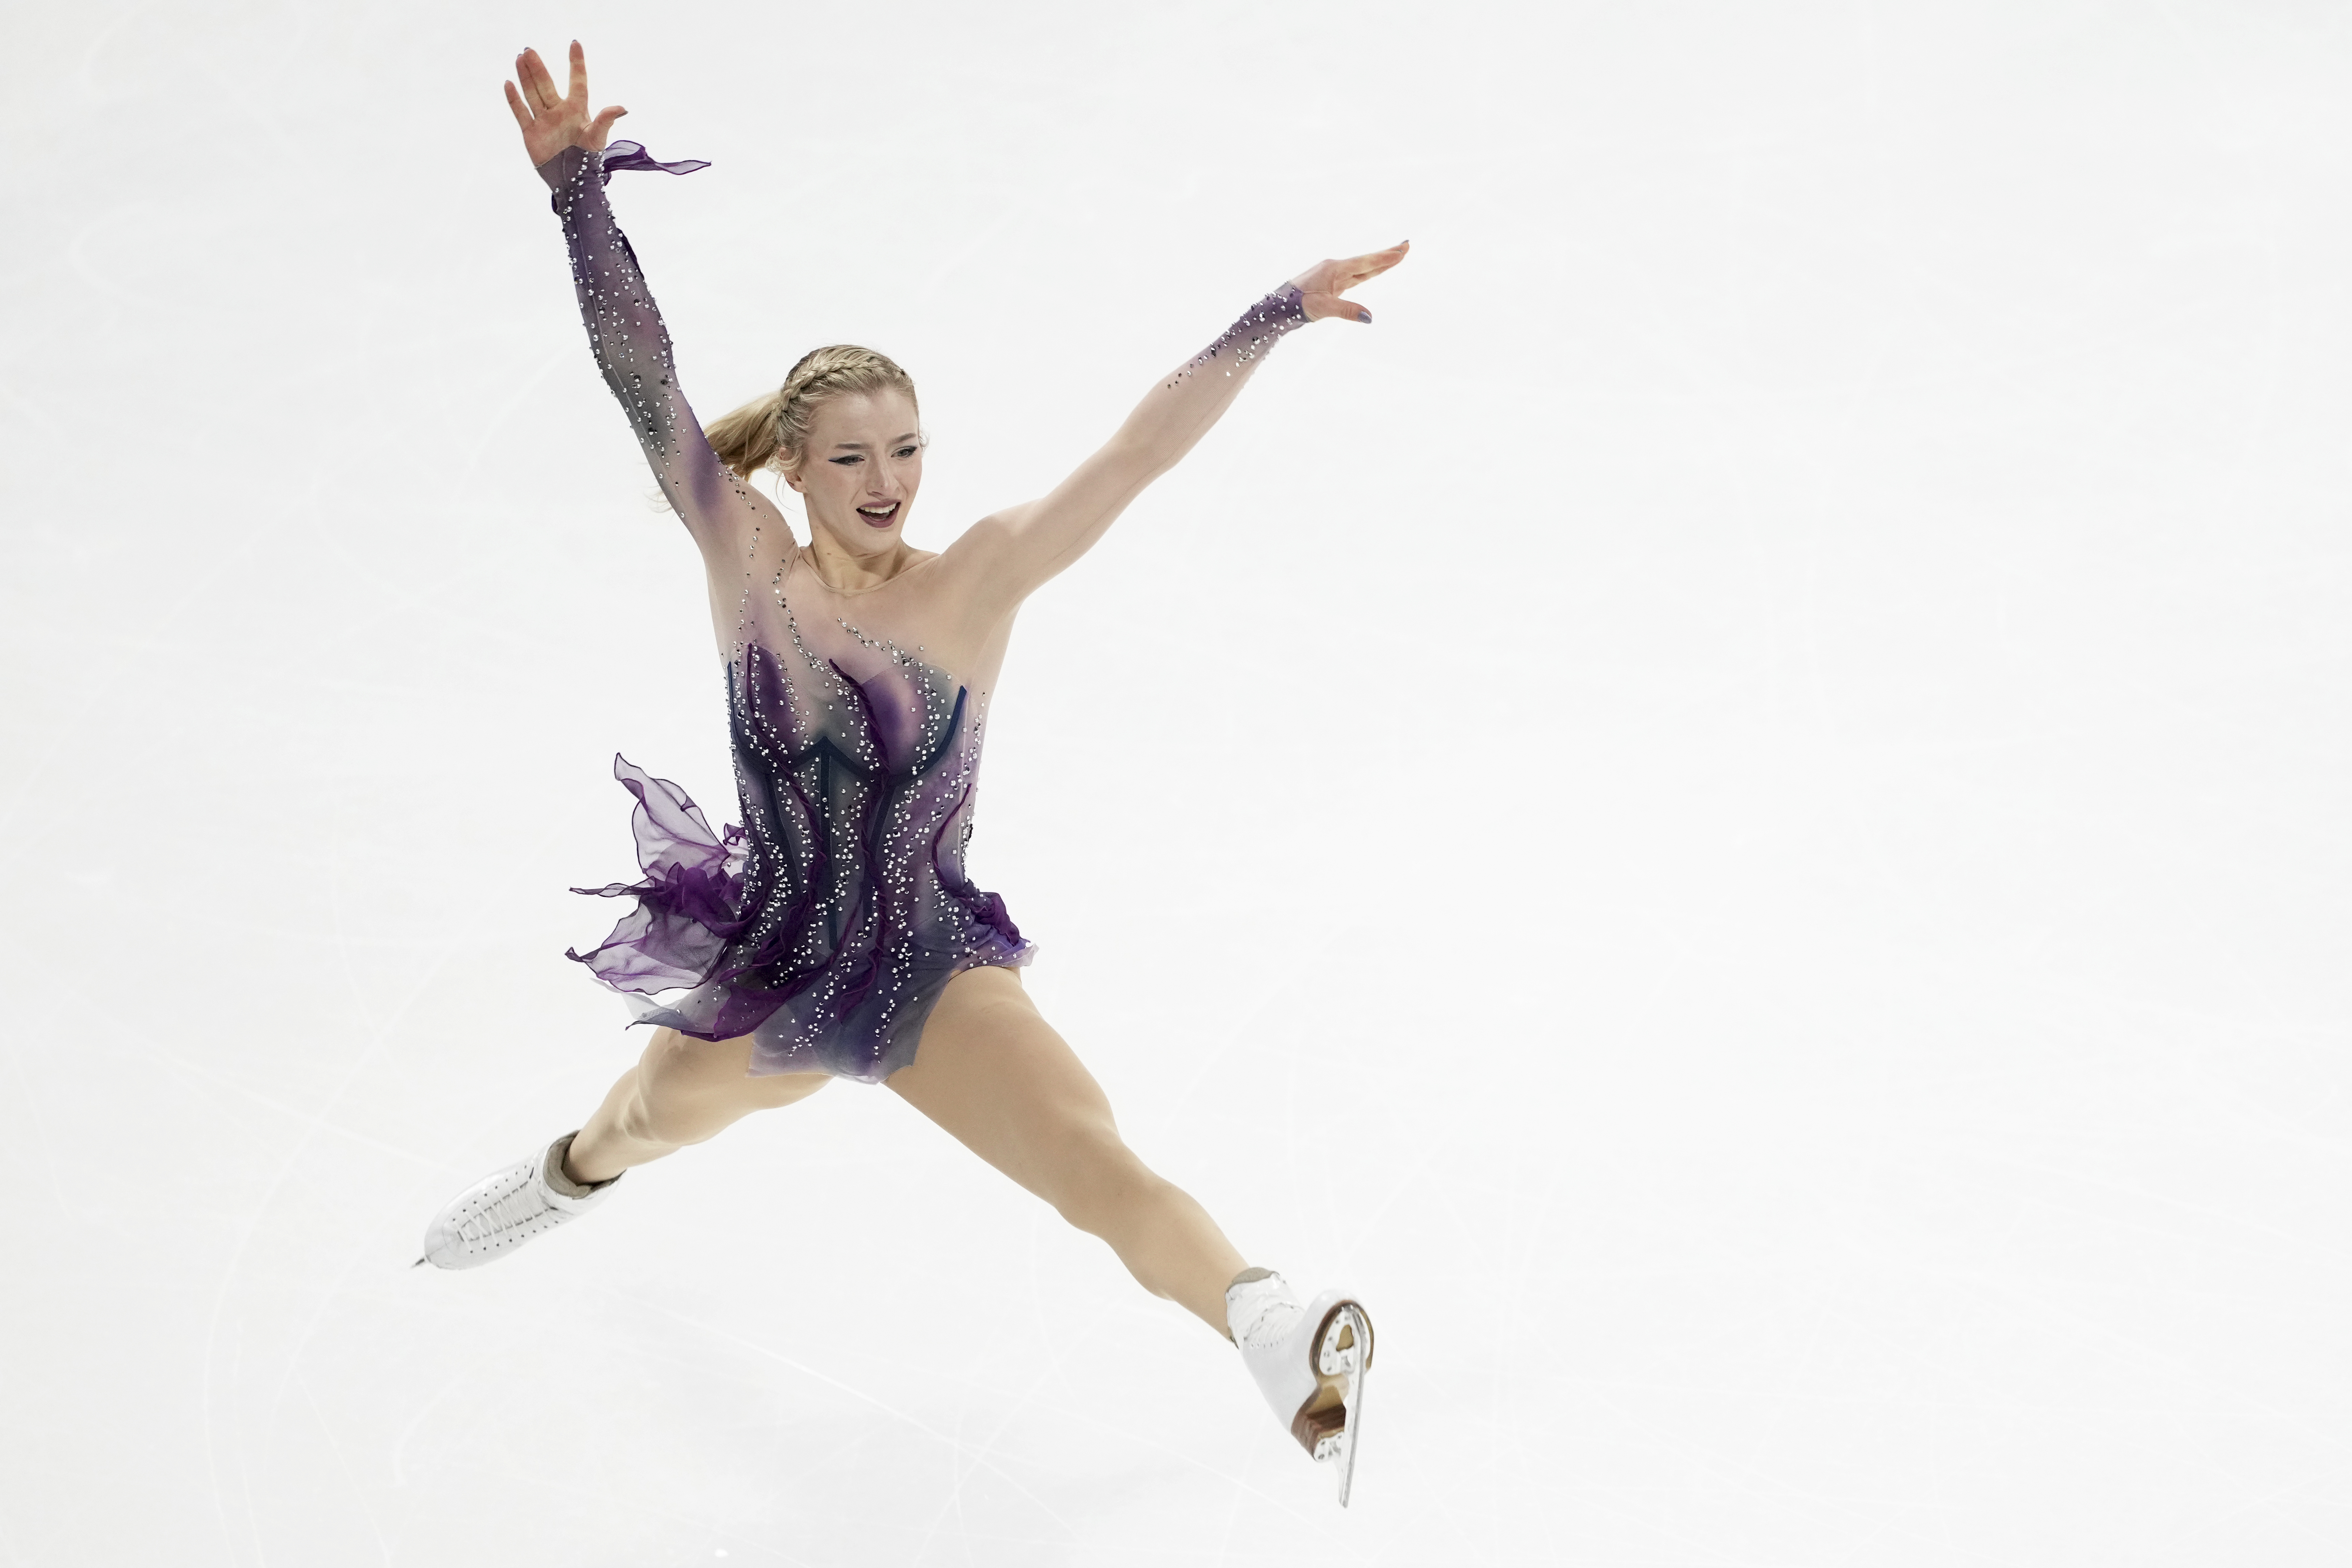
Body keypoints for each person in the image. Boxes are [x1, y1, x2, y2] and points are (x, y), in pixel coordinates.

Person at [420, 40, 1404, 1506]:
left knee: (1093, 1161)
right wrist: (578, 196)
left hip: (929, 969)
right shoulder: (746, 562)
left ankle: (1265, 1323)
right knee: (636, 1122)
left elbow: (1134, 456)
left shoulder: (977, 584)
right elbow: (646, 388)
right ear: (796, 474)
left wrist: (1268, 318)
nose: (886, 480)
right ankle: (566, 1175)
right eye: (853, 456)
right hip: (770, 972)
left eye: (906, 449)